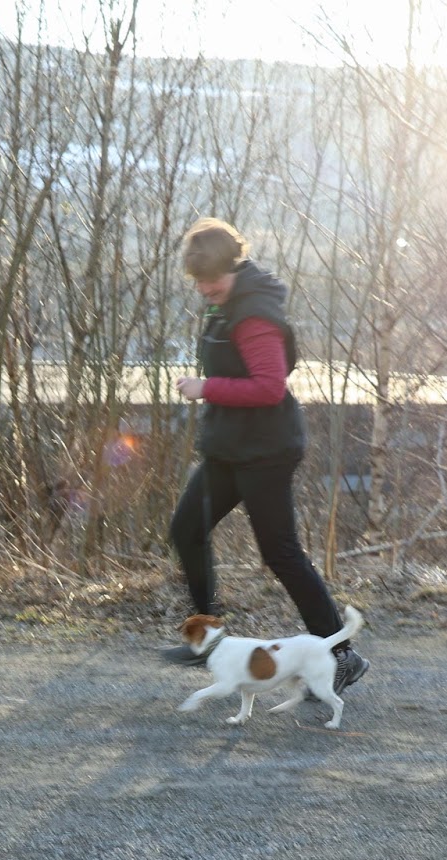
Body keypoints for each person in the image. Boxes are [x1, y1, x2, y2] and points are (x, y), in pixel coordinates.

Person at [165, 218, 368, 694]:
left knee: (280, 553)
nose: (203, 289)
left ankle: (343, 657)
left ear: (231, 269)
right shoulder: (226, 306)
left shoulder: (255, 315)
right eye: (197, 281)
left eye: (210, 280)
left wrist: (206, 388)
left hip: (265, 451)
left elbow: (268, 387)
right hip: (229, 448)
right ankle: (208, 641)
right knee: (187, 529)